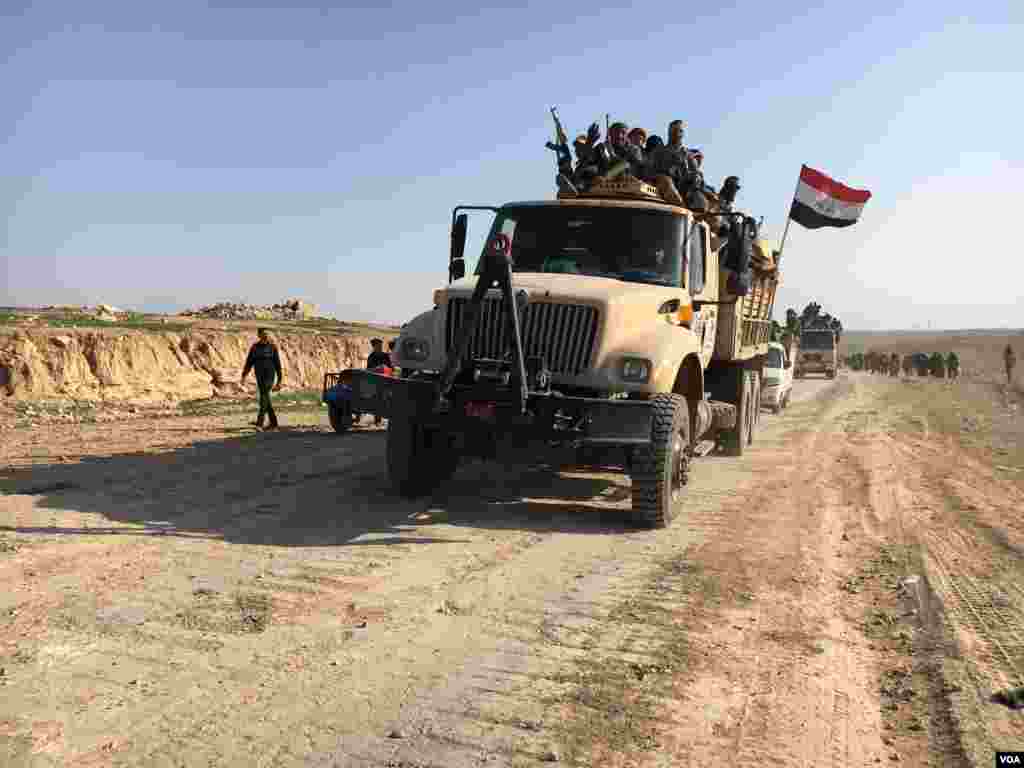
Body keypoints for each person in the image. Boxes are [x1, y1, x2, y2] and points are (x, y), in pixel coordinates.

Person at [240, 328, 283, 430]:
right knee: (265, 398)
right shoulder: (254, 348)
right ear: (259, 335)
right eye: (264, 334)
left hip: (270, 376)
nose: (266, 335)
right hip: (259, 376)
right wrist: (244, 375)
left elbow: (278, 365)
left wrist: (279, 381)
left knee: (264, 397)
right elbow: (249, 362)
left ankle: (260, 423)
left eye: (267, 334)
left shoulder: (272, 347)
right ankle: (274, 423)